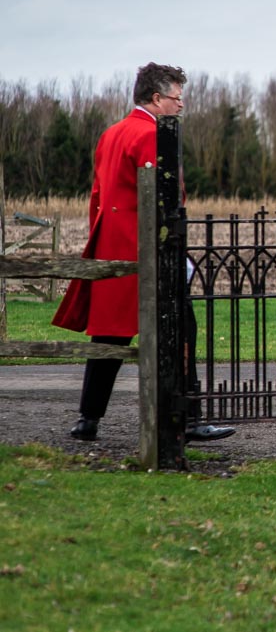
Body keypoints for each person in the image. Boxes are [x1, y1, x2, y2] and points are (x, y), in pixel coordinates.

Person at [52, 62, 234, 443]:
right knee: (182, 328)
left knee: (108, 338)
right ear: (156, 98)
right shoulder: (153, 134)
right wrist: (174, 246)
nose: (181, 106)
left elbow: (98, 197)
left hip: (110, 247)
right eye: (176, 98)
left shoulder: (110, 134)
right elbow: (166, 199)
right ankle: (189, 419)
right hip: (148, 250)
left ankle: (88, 419)